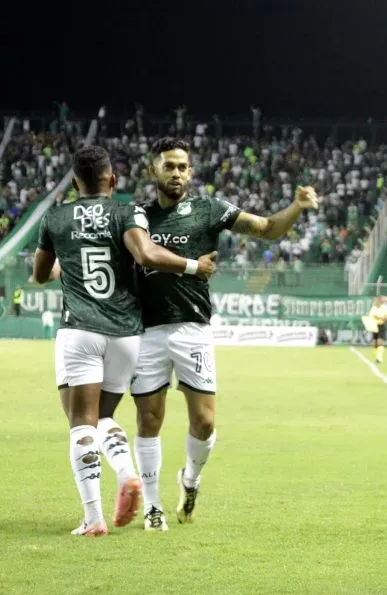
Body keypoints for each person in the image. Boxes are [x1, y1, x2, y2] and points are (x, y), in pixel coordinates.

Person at [130, 137, 319, 532]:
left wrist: (297, 208)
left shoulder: (209, 210)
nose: (177, 173)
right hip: (146, 330)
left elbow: (267, 229)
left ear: (191, 172)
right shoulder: (137, 217)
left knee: (205, 423)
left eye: (183, 166)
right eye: (169, 166)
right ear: (153, 171)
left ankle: (190, 481)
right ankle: (152, 507)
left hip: (193, 330)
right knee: (149, 419)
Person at [31, 145, 216, 537]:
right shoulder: (126, 212)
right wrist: (193, 266)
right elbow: (144, 254)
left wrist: (72, 258)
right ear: (111, 180)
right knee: (105, 416)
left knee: (82, 422)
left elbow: (41, 274)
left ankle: (94, 517)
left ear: (75, 182)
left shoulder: (57, 217)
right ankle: (127, 473)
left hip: (80, 327)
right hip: (126, 333)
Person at [368, 296, 387, 364]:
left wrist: (380, 317)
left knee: (380, 341)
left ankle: (379, 357)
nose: (376, 302)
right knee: (375, 342)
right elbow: (370, 316)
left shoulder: (385, 308)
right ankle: (377, 356)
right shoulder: (373, 308)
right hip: (375, 326)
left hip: (382, 325)